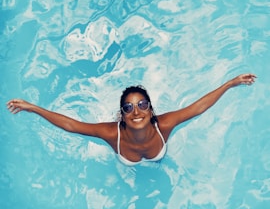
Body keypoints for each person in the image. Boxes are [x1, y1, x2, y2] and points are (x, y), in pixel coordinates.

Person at [7, 73, 256, 166]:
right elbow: (72, 125)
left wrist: (231, 84)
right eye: (128, 107)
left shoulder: (164, 125)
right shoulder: (110, 133)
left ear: (150, 110)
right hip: (125, 162)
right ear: (122, 115)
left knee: (160, 164)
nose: (136, 111)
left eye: (142, 105)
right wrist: (32, 108)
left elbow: (198, 108)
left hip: (158, 157)